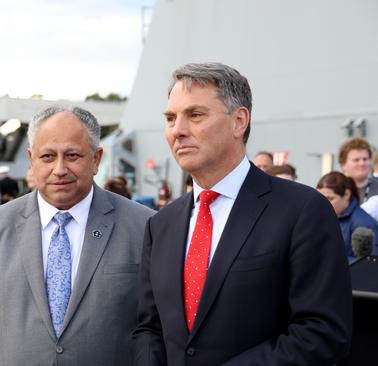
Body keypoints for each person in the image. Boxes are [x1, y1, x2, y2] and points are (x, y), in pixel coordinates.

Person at [134, 63, 352, 365]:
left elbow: (322, 333)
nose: (178, 130)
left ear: (239, 121)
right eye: (171, 118)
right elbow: (150, 328)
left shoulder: (303, 210)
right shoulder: (160, 225)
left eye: (195, 115)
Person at [0, 105, 155, 365]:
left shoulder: (144, 227)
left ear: (96, 159)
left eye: (72, 155)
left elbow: (156, 331)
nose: (59, 169)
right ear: (31, 159)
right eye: (47, 156)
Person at [316, 171, 378, 261]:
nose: (324, 204)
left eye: (330, 199)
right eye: (321, 199)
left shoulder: (364, 224)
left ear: (346, 194)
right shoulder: (330, 216)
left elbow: (369, 264)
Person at [338, 137, 378, 202]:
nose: (362, 163)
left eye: (365, 159)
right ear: (343, 164)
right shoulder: (335, 191)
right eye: (356, 160)